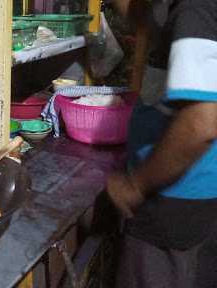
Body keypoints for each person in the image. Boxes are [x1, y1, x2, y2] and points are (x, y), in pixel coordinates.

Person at [106, 0, 217, 287]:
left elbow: (201, 123)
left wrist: (135, 185)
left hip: (171, 204)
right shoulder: (182, 16)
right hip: (193, 198)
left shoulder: (193, 11)